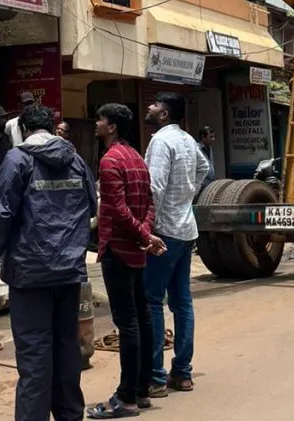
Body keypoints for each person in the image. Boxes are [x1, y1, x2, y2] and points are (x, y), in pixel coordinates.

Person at [0, 104, 97, 421]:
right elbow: (91, 205)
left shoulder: (17, 159)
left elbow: (2, 212)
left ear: (23, 130)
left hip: (29, 273)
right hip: (69, 273)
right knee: (67, 352)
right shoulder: (75, 160)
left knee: (35, 358)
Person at [87, 104, 165, 419]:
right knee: (142, 319)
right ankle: (142, 390)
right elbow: (150, 202)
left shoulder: (110, 160)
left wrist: (143, 235)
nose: (96, 123)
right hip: (135, 249)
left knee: (128, 323)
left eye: (100, 119)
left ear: (113, 127)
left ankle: (126, 397)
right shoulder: (137, 158)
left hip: (118, 249)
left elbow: (118, 209)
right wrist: (145, 234)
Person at [143, 92, 209, 395]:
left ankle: (156, 377)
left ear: (164, 114)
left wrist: (147, 229)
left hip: (165, 231)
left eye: (155, 105)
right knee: (182, 301)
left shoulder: (161, 141)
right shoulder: (186, 140)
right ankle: (182, 372)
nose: (149, 107)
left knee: (152, 301)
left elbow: (155, 188)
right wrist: (187, 194)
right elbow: (204, 167)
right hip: (185, 229)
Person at [195, 127, 217, 200]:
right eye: (211, 137)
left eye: (213, 136)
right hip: (201, 186)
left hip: (210, 185)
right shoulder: (196, 149)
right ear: (203, 137)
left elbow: (211, 165)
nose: (213, 139)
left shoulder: (209, 148)